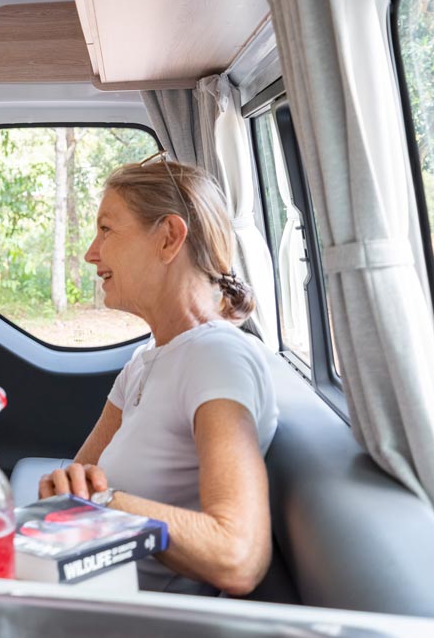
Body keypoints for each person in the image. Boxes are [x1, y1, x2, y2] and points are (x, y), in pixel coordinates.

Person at [38, 152, 278, 596]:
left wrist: (105, 504)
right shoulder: (146, 360)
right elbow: (76, 481)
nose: (91, 253)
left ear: (169, 238)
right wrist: (71, 492)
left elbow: (237, 555)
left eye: (106, 230)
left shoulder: (217, 358)